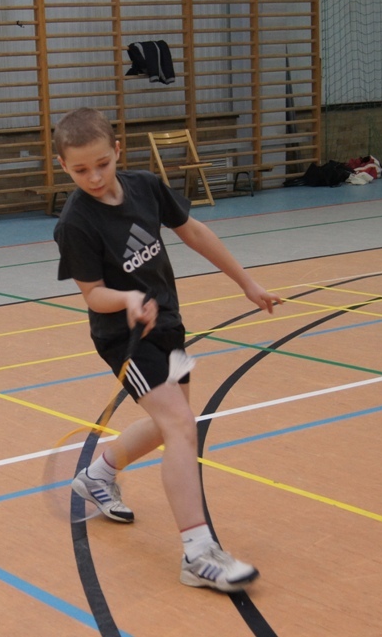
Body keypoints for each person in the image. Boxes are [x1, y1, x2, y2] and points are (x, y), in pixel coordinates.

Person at [51, 107, 282, 593]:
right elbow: (92, 294)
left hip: (170, 325)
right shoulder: (76, 222)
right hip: (126, 338)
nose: (94, 177)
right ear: (62, 166)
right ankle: (198, 553)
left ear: (118, 151)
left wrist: (247, 283)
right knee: (180, 426)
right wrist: (128, 300)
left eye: (102, 164)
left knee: (170, 423)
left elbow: (193, 231)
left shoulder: (146, 187)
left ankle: (98, 476)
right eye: (80, 170)